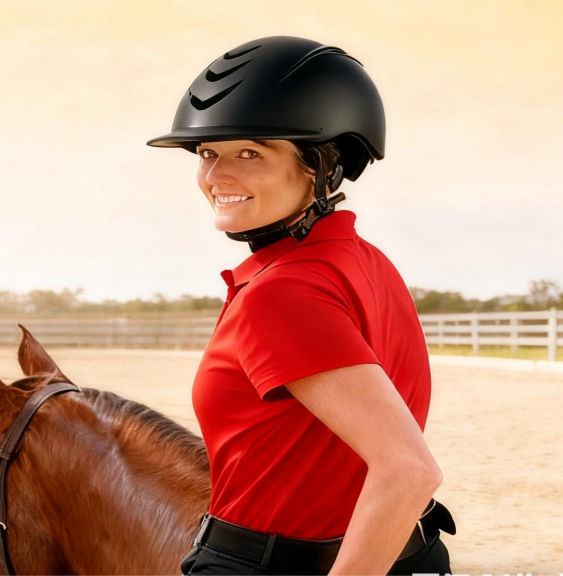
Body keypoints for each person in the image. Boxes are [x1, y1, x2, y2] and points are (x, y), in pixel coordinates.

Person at [145, 36, 457, 576]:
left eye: (251, 152)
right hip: (410, 553)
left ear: (322, 165)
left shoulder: (281, 291)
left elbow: (408, 469)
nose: (217, 177)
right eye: (207, 154)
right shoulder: (364, 261)